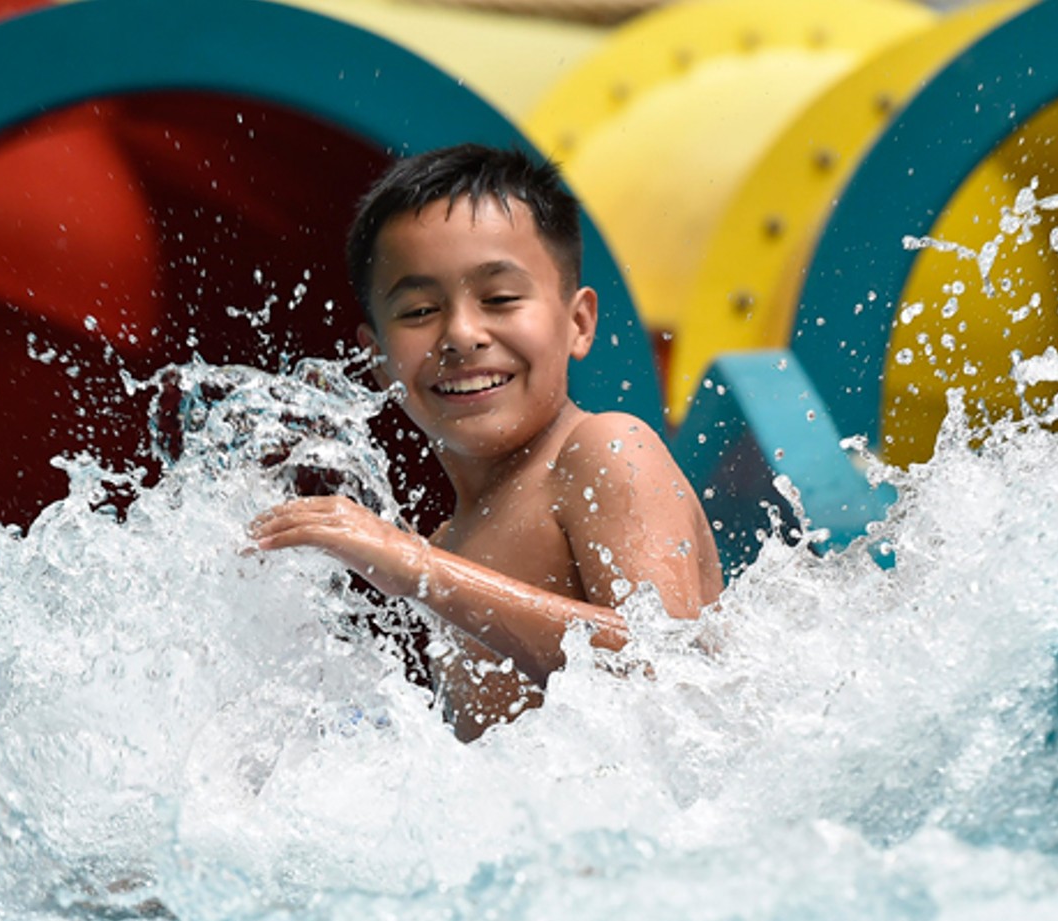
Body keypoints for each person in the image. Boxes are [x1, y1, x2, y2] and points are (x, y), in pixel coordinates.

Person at [249, 145, 723, 739]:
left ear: (578, 323)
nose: (462, 335)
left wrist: (418, 570)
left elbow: (668, 671)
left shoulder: (604, 448)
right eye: (420, 310)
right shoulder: (451, 541)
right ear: (376, 359)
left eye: (499, 299)